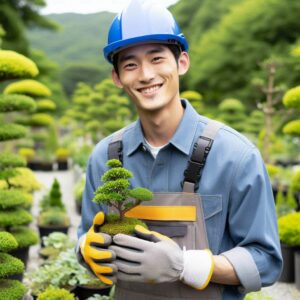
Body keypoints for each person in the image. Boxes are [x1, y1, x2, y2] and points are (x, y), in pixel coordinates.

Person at [77, 0, 282, 299]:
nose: (146, 74)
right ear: (118, 78)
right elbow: (87, 234)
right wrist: (84, 247)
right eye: (130, 64)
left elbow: (266, 261)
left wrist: (187, 265)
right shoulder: (105, 157)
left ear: (182, 63)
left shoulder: (236, 156)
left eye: (157, 58)